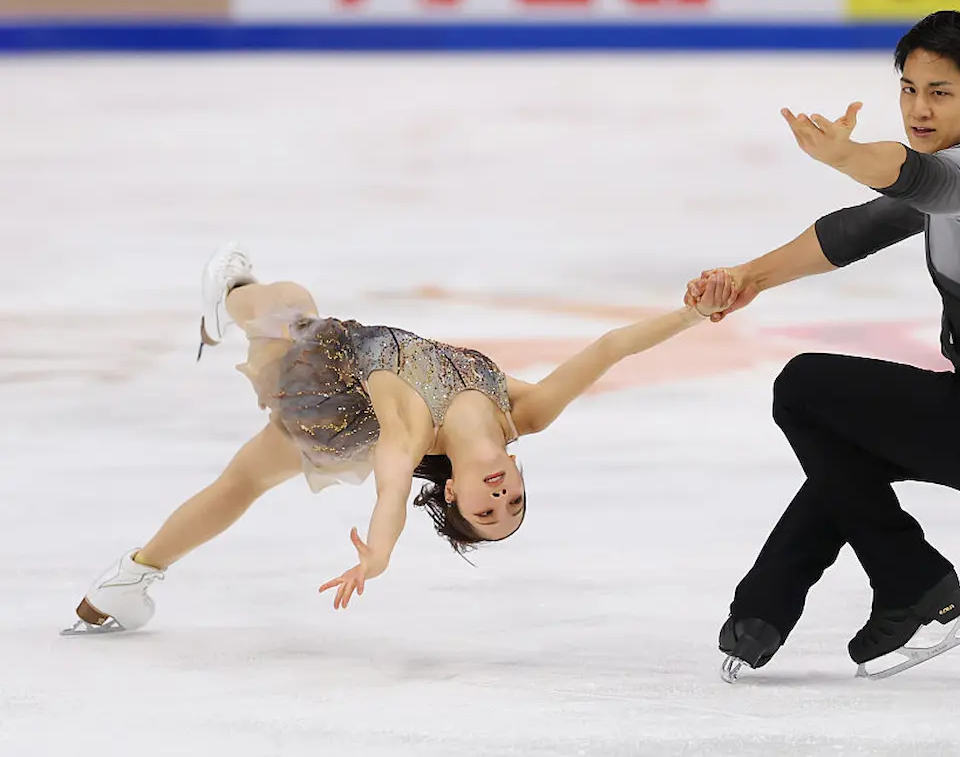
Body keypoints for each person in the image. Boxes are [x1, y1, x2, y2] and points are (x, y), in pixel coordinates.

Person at [685, 10, 960, 681]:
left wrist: (843, 156)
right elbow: (853, 231)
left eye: (939, 92)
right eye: (909, 88)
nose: (919, 107)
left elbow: (901, 174)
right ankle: (766, 611)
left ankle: (919, 586)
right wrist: (749, 278)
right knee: (849, 445)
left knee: (805, 388)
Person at [62, 243, 736, 636]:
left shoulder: (411, 434)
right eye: (515, 505)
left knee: (288, 306)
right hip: (349, 392)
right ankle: (126, 584)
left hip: (325, 392)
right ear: (519, 476)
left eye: (484, 512)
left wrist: (378, 554)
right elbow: (610, 347)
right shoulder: (525, 413)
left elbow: (389, 492)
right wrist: (693, 313)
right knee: (242, 482)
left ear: (452, 491)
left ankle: (230, 297)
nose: (500, 499)